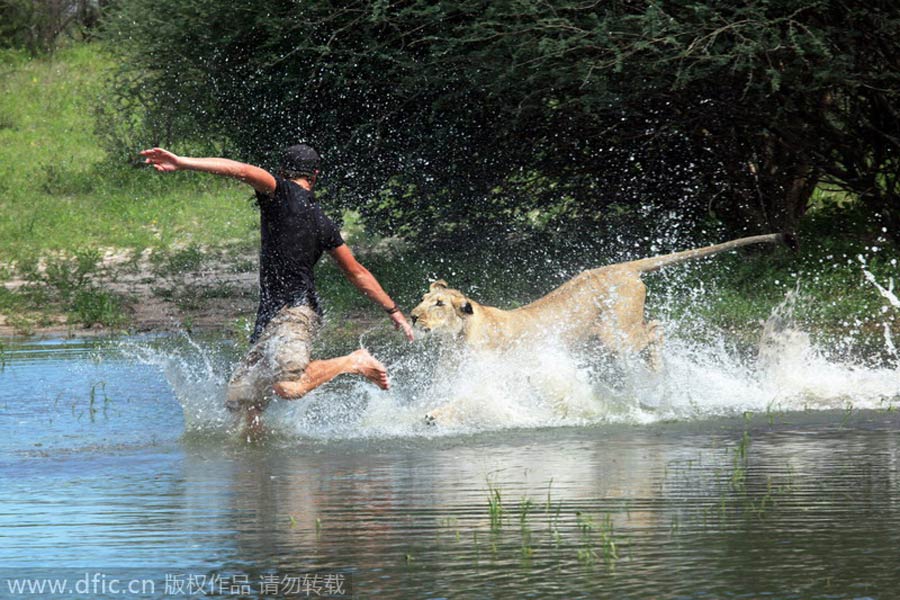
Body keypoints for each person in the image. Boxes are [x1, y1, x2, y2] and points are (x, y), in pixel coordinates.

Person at [140, 144, 414, 434]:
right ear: (316, 175)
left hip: (296, 313)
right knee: (241, 401)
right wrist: (393, 311)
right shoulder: (324, 222)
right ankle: (262, 471)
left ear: (282, 172)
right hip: (273, 316)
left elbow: (242, 170)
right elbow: (357, 272)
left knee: (289, 386)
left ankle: (354, 361)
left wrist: (183, 162)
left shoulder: (279, 192)